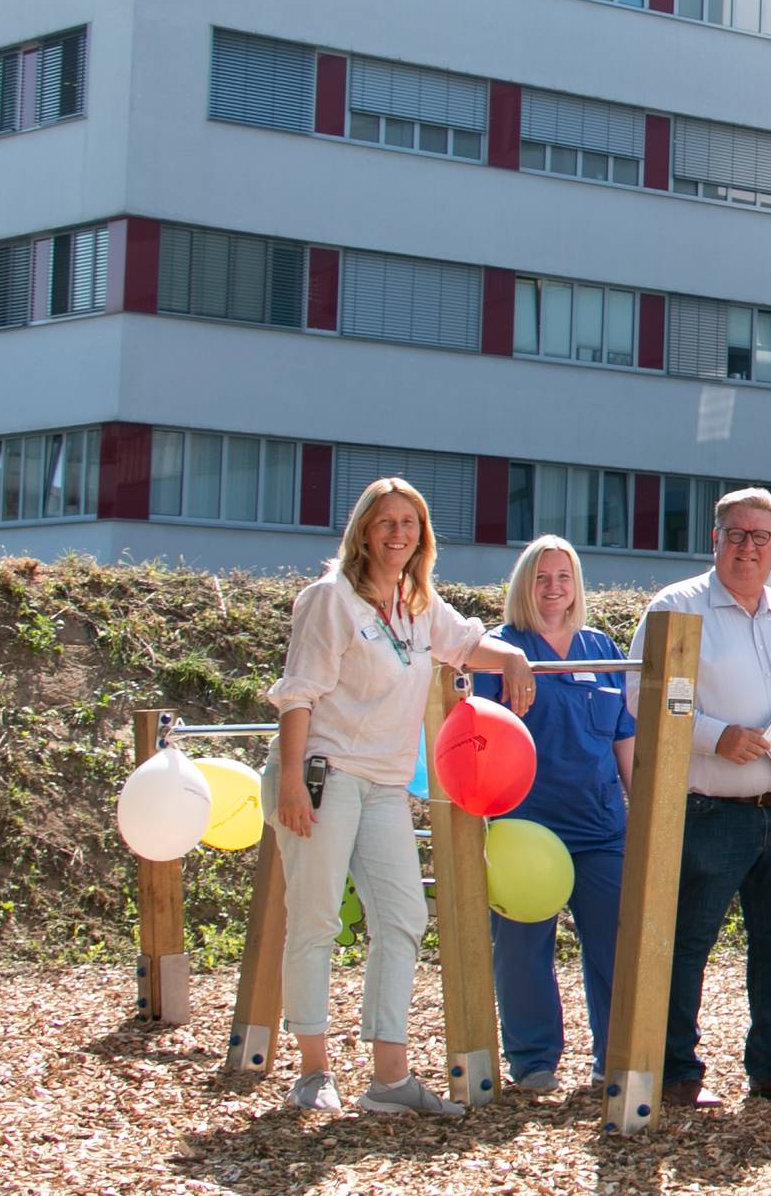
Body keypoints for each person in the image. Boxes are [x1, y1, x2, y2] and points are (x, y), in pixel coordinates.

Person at [266, 478, 539, 1116]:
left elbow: (468, 644)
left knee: (403, 918)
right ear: (364, 529)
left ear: (422, 537)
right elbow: (298, 692)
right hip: (322, 775)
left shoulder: (416, 603)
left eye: (409, 523)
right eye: (386, 521)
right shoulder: (329, 598)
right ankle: (312, 1072)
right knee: (315, 919)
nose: (398, 533)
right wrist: (290, 783)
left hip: (385, 784)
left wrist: (517, 661)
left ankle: (389, 1079)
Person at [626, 487, 771, 1109]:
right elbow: (645, 699)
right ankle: (675, 1073)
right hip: (711, 811)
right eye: (738, 535)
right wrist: (717, 737)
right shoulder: (677, 608)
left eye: (762, 537)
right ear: (714, 539)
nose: (750, 548)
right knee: (688, 943)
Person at [471, 536, 634, 1092]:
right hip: (524, 825)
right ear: (524, 585)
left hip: (599, 826)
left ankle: (613, 1057)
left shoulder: (601, 648)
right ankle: (534, 1061)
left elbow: (623, 740)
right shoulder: (499, 648)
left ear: (577, 585)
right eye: (541, 578)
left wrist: (641, 817)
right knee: (522, 949)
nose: (553, 588)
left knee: (613, 943)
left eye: (563, 577)